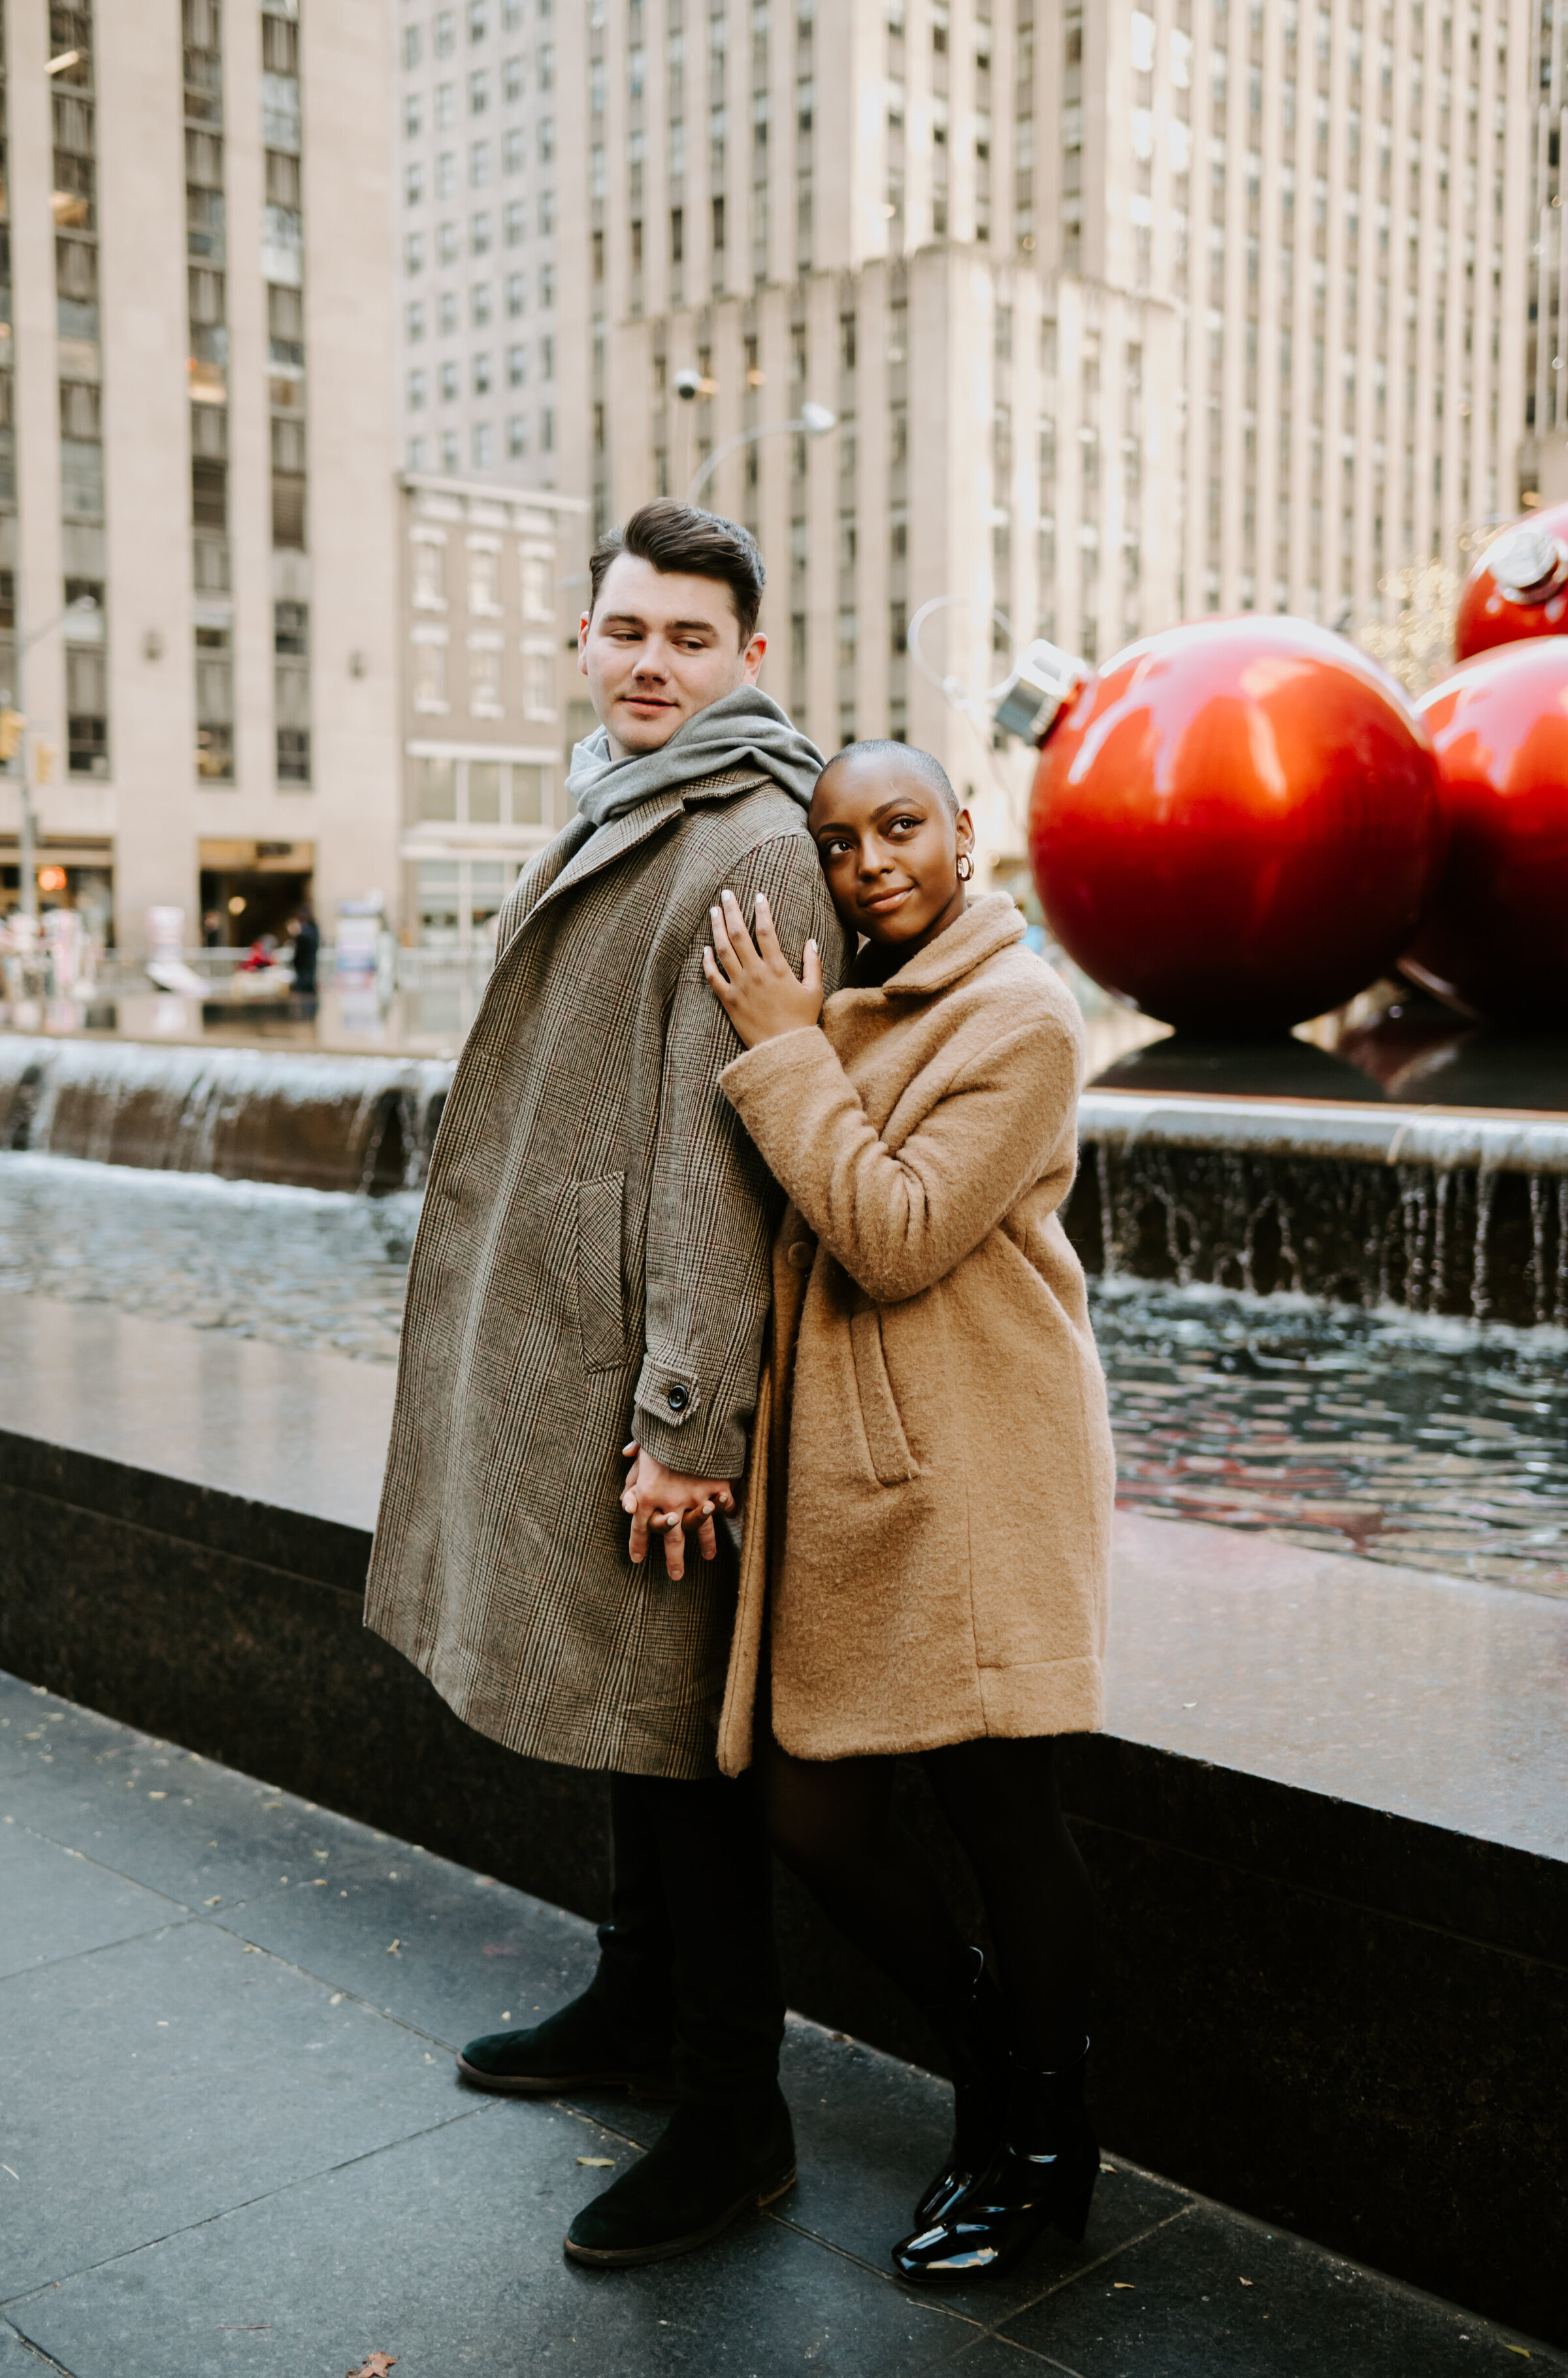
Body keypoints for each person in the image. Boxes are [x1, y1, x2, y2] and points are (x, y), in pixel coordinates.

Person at [363, 502, 847, 2267]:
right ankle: (637, 2006)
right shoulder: (622, 794)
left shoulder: (757, 843)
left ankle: (738, 2114)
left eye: (689, 639)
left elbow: (730, 1163)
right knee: (629, 1727)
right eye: (627, 630)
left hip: (654, 1376)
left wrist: (685, 1427)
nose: (652, 662)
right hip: (575, 1340)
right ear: (590, 639)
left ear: (750, 658)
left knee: (681, 1744)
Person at [702, 739, 1117, 2286]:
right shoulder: (855, 993)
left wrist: (782, 1050)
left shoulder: (1022, 1014)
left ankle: (1050, 2148)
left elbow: (894, 1231)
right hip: (874, 1470)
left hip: (986, 1460)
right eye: (838, 838)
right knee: (814, 1805)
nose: (870, 859)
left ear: (964, 829)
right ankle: (996, 2064)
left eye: (900, 826)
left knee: (1009, 1816)